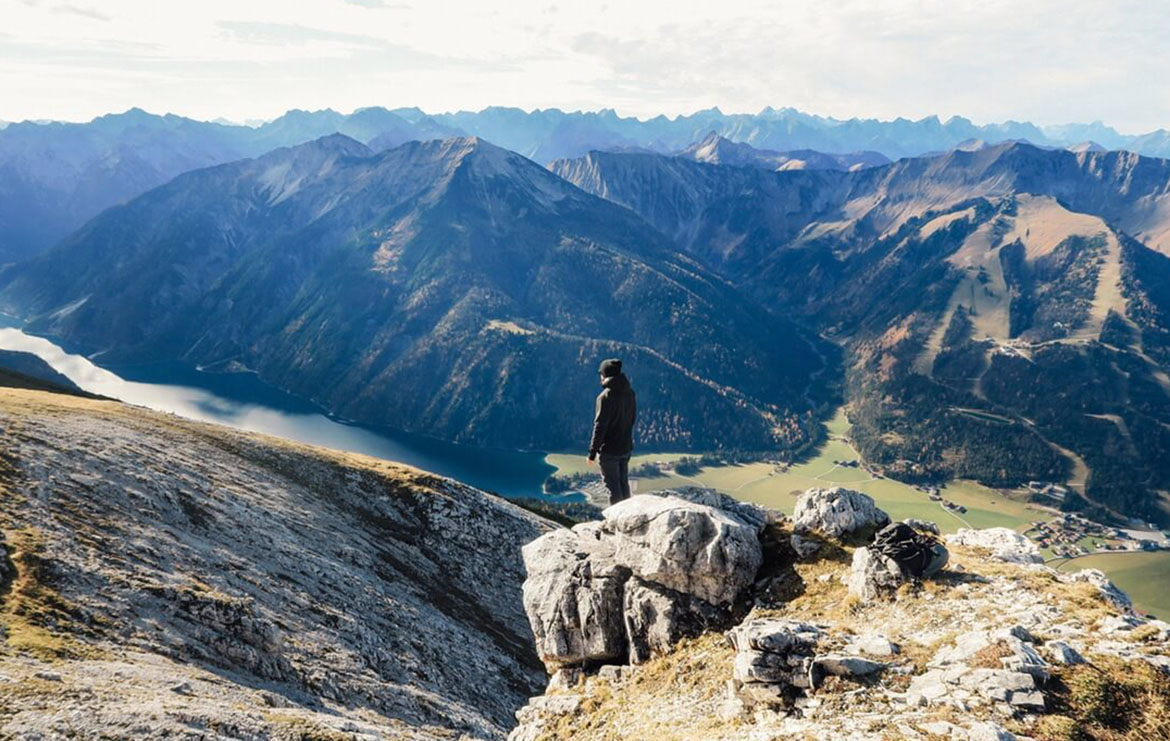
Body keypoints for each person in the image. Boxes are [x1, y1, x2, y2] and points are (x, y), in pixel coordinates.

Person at [587, 358, 637, 504]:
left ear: (605, 375)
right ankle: (629, 517)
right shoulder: (630, 393)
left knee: (613, 489)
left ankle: (619, 524)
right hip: (626, 447)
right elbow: (632, 419)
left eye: (601, 373)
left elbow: (600, 427)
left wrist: (592, 452)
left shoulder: (605, 397)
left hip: (609, 451)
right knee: (623, 485)